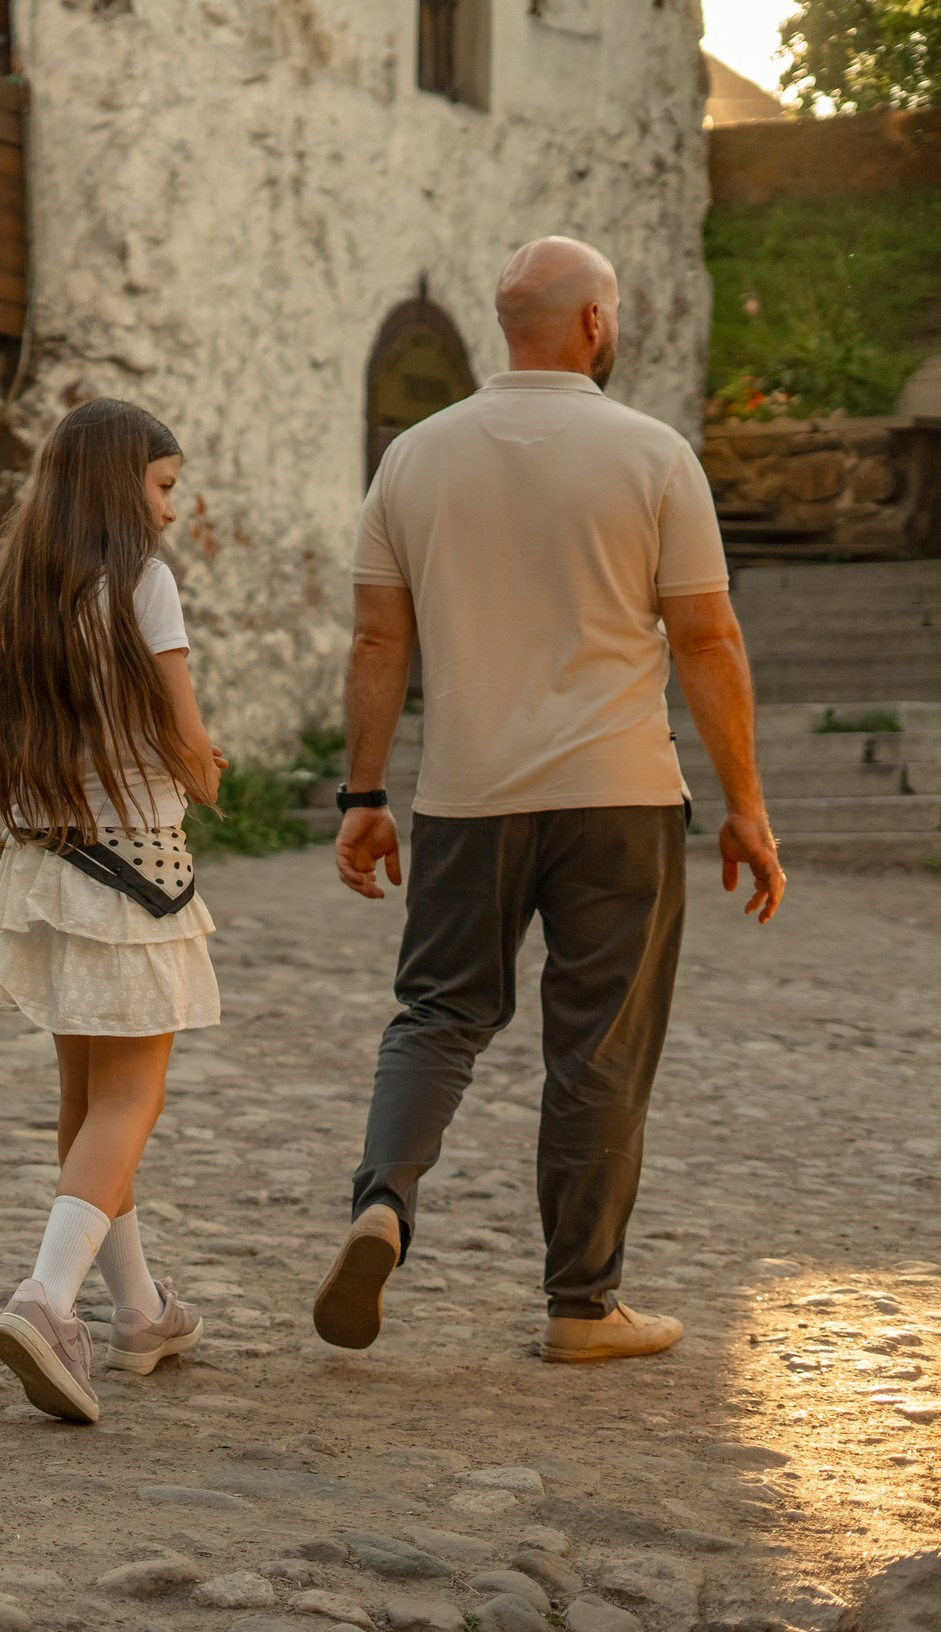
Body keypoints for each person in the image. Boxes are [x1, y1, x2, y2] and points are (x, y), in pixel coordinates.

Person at [314, 237, 783, 1364]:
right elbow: (707, 638)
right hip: (618, 797)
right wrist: (747, 807)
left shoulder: (414, 460)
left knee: (436, 1015)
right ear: (591, 326)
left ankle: (382, 1203)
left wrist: (363, 794)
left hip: (468, 797)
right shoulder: (653, 456)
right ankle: (582, 1307)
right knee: (598, 1049)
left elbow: (380, 638)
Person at [0, 398, 228, 1423]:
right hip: (133, 873)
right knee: (129, 1099)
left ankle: (141, 1311)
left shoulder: (16, 594)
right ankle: (45, 1299)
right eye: (161, 484)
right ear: (120, 486)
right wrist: (204, 765)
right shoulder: (143, 587)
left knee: (84, 1103)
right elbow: (186, 746)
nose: (168, 506)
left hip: (46, 862)